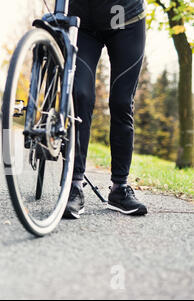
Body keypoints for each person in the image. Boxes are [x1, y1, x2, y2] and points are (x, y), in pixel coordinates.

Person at [64, 0, 148, 218]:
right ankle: (74, 185)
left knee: (121, 102)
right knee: (80, 97)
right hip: (82, 23)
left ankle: (119, 188)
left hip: (126, 19)